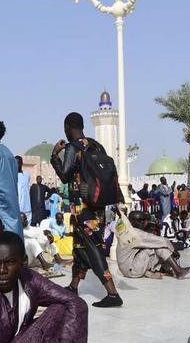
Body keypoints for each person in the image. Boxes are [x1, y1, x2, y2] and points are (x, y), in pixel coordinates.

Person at [0, 231, 89, 343]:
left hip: (19, 339)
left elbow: (76, 302)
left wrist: (68, 338)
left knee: (62, 307)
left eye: (10, 262)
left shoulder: (29, 279)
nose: (2, 270)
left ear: (23, 261)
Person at [50, 112, 123, 308]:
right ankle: (74, 286)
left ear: (67, 127)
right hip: (98, 207)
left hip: (83, 210)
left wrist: (54, 156)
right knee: (80, 248)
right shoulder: (96, 145)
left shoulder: (73, 147)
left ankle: (113, 293)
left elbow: (65, 176)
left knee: (93, 249)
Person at [115, 211, 190, 279]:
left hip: (127, 268)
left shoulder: (126, 230)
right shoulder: (135, 234)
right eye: (139, 220)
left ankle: (171, 269)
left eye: (144, 219)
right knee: (159, 246)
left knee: (155, 247)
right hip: (132, 269)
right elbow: (163, 241)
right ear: (131, 221)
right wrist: (173, 250)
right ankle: (178, 271)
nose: (143, 222)